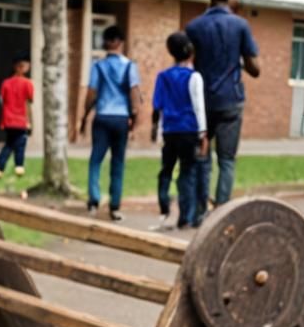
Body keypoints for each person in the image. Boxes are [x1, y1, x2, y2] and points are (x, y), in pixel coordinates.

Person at [185, 0, 260, 220]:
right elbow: (255, 68)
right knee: (227, 160)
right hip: (231, 100)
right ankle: (221, 214)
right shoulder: (240, 25)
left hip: (201, 102)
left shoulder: (193, 27)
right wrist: (240, 61)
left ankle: (199, 212)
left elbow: (188, 63)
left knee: (202, 157)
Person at [79, 25, 142, 221]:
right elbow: (134, 93)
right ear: (121, 43)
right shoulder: (130, 66)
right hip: (121, 118)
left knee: (95, 160)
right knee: (118, 161)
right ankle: (115, 205)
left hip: (103, 117)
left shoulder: (98, 65)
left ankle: (94, 200)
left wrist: (84, 115)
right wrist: (135, 117)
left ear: (106, 42)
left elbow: (91, 93)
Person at [150, 31, 208, 230]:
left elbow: (157, 106)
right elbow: (198, 106)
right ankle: (185, 217)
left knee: (166, 169)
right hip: (189, 130)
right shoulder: (194, 77)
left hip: (170, 130)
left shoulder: (163, 76)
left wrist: (156, 130)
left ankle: (164, 206)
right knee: (187, 172)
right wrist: (203, 133)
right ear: (190, 52)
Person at [0, 53, 34, 178]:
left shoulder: (6, 83)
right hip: (21, 120)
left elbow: (2, 100)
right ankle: (19, 166)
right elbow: (29, 102)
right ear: (19, 67)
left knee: (9, 143)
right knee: (20, 143)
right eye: (26, 66)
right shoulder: (27, 83)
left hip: (8, 120)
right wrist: (30, 122)